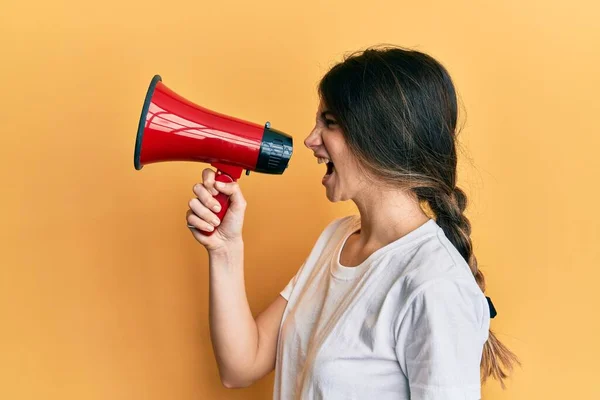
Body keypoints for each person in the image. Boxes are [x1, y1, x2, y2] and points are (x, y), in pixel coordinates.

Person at [186, 45, 519, 399]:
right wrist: (224, 249)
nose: (310, 140)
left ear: (380, 137)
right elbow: (242, 365)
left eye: (329, 123)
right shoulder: (336, 238)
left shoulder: (434, 285)